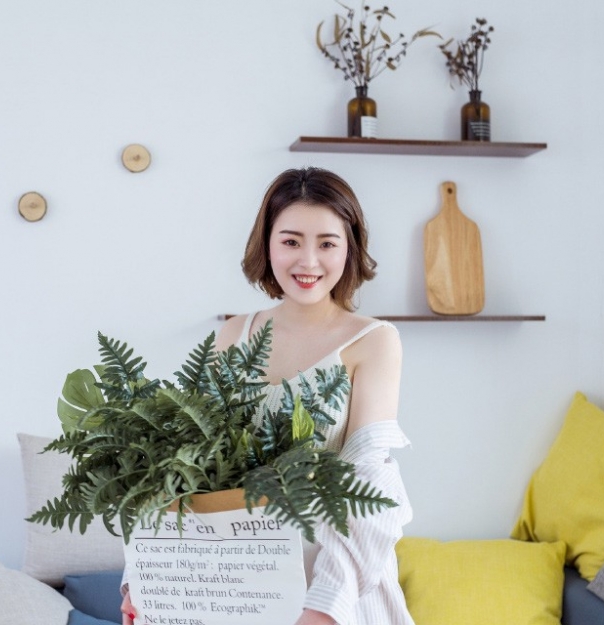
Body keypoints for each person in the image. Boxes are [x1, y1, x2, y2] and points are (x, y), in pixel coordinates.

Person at [121, 167, 414, 625]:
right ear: (267, 243)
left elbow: (369, 484)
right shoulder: (233, 334)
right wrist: (144, 581)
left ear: (350, 247)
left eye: (327, 243)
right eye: (291, 241)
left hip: (337, 595)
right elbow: (181, 472)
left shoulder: (374, 341)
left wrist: (324, 608)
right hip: (241, 591)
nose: (308, 261)